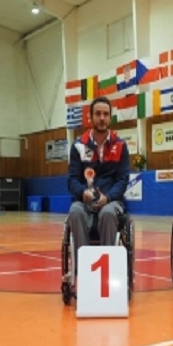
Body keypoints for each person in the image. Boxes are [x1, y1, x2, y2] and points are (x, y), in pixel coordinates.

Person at [67, 96, 130, 258]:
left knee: (108, 213)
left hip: (111, 201)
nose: (102, 118)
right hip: (84, 202)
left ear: (110, 117)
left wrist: (108, 197)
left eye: (106, 114)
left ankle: (107, 267)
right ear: (91, 116)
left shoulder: (120, 145)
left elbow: (123, 180)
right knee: (74, 211)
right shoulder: (78, 145)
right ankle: (82, 267)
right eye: (98, 114)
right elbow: (72, 180)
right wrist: (83, 193)